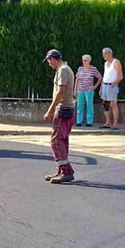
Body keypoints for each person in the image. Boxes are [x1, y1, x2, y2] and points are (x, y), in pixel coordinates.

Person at [42, 49, 76, 184]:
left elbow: (60, 92)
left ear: (52, 59)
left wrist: (50, 111)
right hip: (69, 109)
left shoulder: (62, 70)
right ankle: (61, 169)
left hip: (63, 109)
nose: (49, 64)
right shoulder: (66, 69)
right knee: (62, 140)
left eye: (49, 61)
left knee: (56, 141)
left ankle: (67, 171)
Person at [74, 54, 102, 127]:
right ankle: (79, 121)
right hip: (80, 90)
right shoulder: (80, 69)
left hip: (89, 90)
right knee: (79, 106)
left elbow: (100, 77)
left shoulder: (93, 69)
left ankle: (89, 122)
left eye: (85, 60)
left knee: (89, 106)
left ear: (89, 61)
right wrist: (75, 90)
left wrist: (95, 86)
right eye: (83, 60)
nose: (84, 61)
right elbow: (77, 79)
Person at [99, 47, 123, 130]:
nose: (103, 55)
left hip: (111, 86)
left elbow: (120, 76)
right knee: (105, 104)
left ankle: (115, 124)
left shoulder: (116, 62)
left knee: (113, 104)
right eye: (103, 53)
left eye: (105, 53)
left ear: (110, 53)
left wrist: (113, 84)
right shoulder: (106, 63)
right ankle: (107, 122)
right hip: (105, 85)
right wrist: (101, 88)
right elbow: (104, 75)